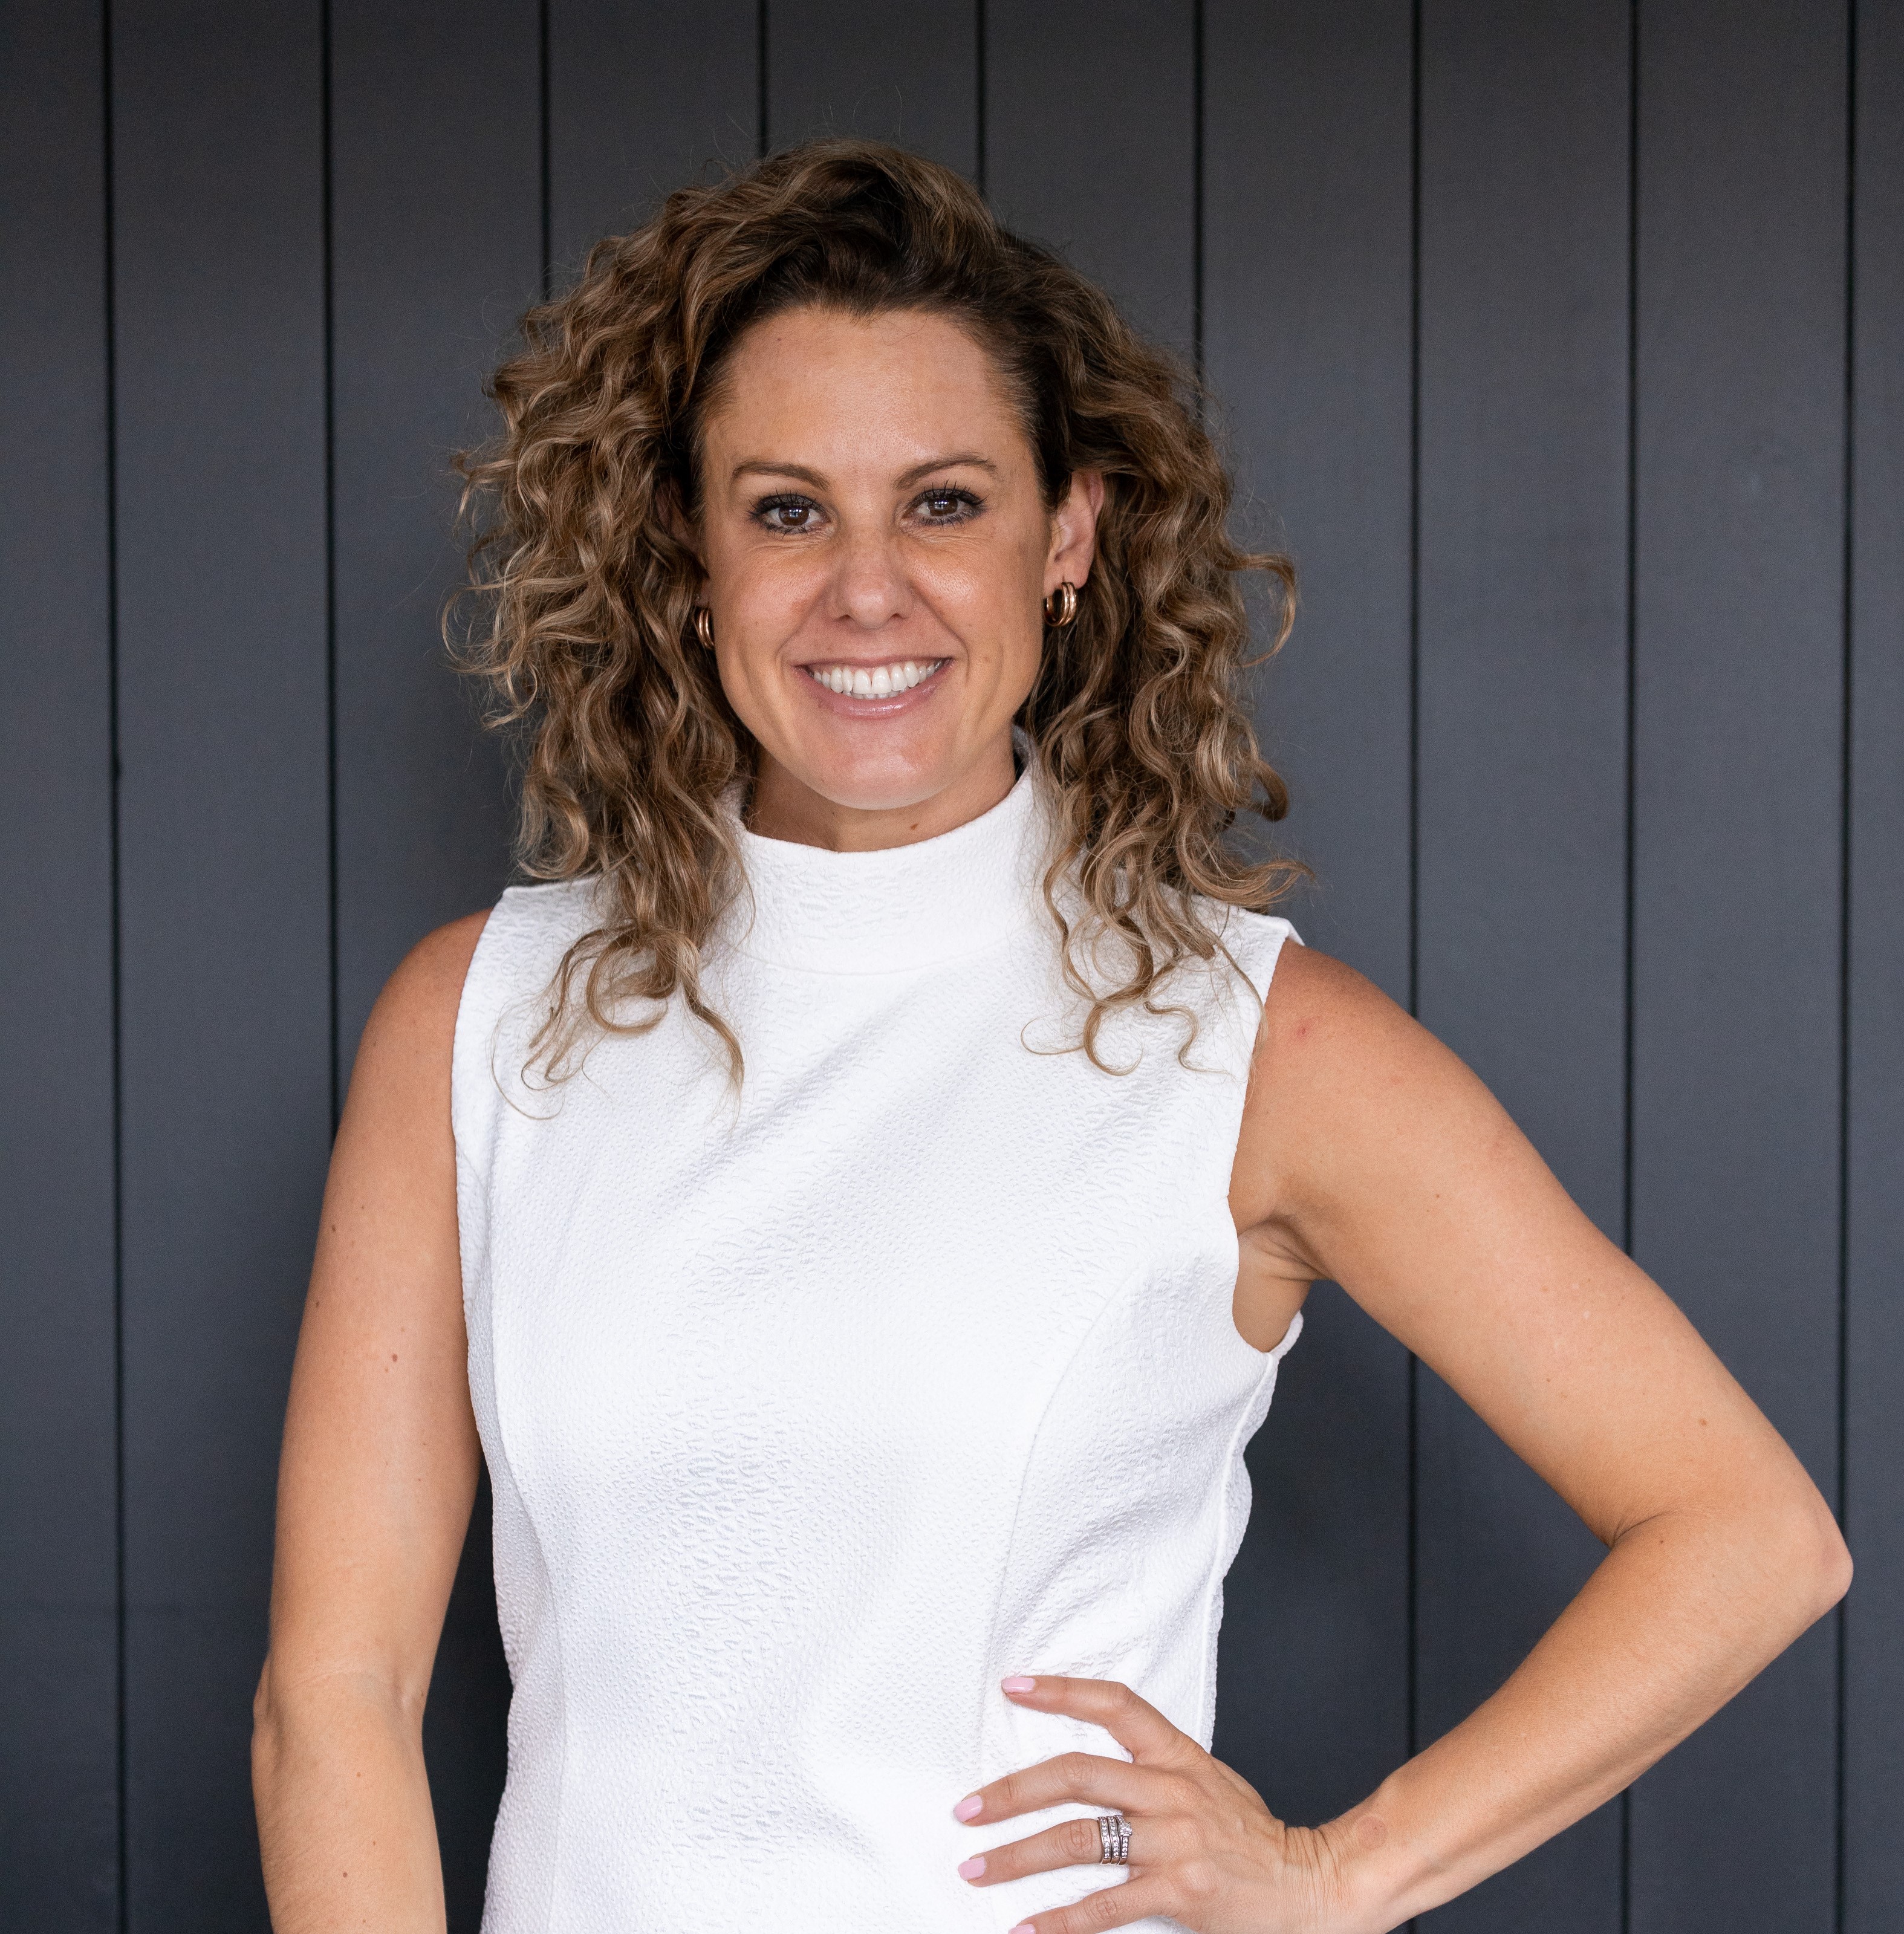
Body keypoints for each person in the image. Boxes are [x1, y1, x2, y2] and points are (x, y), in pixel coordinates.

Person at [250, 139, 1850, 1934]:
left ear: (1067, 537)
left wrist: (1338, 1874)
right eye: (787, 511)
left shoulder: (1250, 1048)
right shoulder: (481, 1018)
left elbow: (1748, 1533)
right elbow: (339, 1694)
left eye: (943, 503)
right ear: (689, 553)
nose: (868, 589)